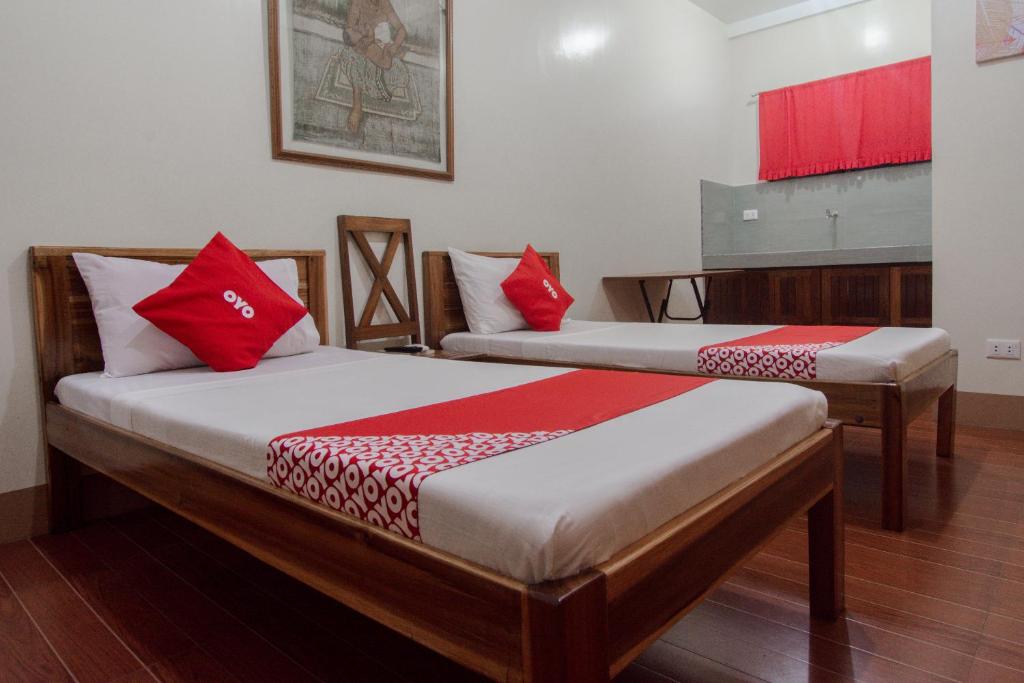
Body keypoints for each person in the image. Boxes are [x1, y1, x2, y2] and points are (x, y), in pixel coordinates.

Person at [339, 0, 410, 133]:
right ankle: (357, 105)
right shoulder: (357, 3)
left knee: (398, 72)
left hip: (382, 52)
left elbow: (401, 30)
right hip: (362, 51)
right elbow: (350, 35)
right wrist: (368, 43)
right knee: (351, 55)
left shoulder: (384, 4)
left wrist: (394, 47)